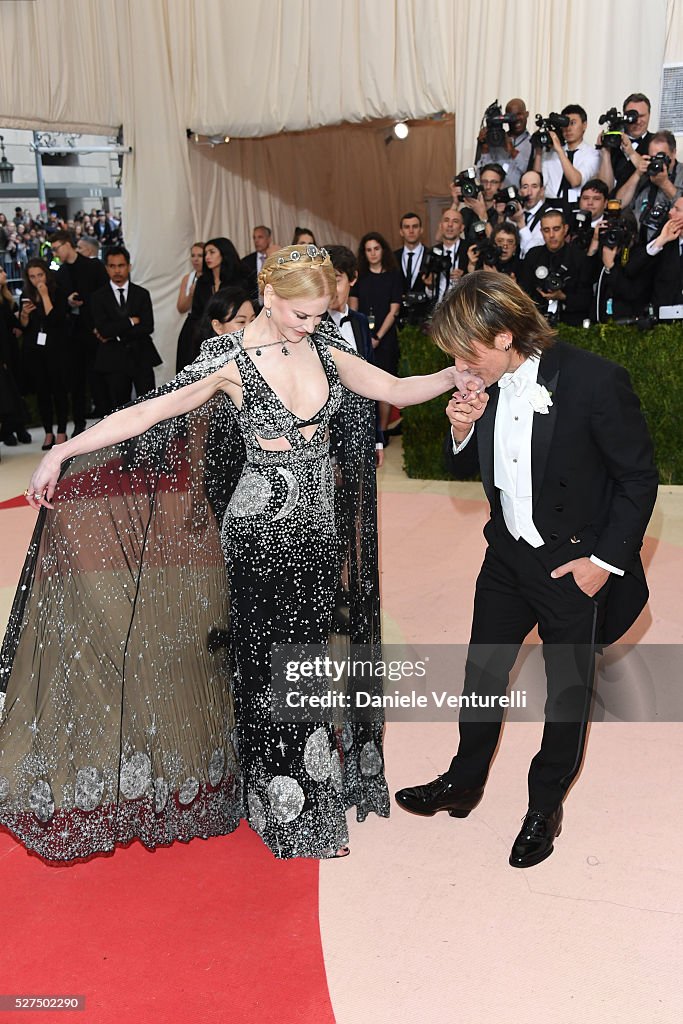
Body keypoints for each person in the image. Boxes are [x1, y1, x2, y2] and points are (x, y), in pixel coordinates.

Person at [0, 244, 480, 863]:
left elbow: (392, 388)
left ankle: (296, 787)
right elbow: (151, 410)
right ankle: (286, 801)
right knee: (274, 662)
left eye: (320, 313)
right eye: (302, 314)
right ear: (270, 296)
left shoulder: (324, 344)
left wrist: (451, 376)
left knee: (307, 659)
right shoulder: (230, 360)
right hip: (263, 534)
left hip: (319, 532)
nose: (313, 325)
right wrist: (61, 453)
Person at [395, 271, 658, 867]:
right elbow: (475, 474)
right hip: (507, 556)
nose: (460, 367)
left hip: (573, 563)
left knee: (567, 693)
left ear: (506, 334)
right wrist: (461, 432)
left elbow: (638, 480)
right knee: (481, 673)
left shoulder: (595, 381)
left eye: (468, 352)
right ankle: (464, 783)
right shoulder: (486, 383)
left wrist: (604, 562)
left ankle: (544, 808)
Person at [325, 244, 384, 464]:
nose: (330, 288)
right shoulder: (310, 326)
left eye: (337, 279)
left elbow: (372, 380)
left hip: (360, 431)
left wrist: (377, 439)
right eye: (325, 280)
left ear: (353, 278)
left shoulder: (360, 322)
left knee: (362, 497)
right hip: (324, 437)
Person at [50, 228, 109, 432]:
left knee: (99, 379)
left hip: (95, 332)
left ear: (68, 243)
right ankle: (79, 425)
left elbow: (106, 296)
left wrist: (101, 327)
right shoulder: (60, 274)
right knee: (75, 382)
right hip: (72, 335)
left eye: (57, 248)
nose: (55, 253)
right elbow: (57, 305)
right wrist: (68, 302)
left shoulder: (93, 266)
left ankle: (107, 423)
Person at [90, 246, 161, 413]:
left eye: (121, 265)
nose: (117, 271)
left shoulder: (142, 294)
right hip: (113, 359)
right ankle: (125, 440)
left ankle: (149, 439)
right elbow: (104, 330)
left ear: (129, 266)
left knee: (148, 405)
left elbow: (147, 327)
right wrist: (130, 321)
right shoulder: (98, 297)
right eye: (112, 266)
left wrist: (117, 333)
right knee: (119, 408)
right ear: (107, 268)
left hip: (141, 355)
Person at [349, 232, 402, 434]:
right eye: (368, 250)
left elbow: (394, 310)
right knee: (365, 387)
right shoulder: (359, 277)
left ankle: (383, 432)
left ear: (383, 250)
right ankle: (368, 433)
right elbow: (353, 310)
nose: (372, 253)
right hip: (363, 340)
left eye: (376, 248)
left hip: (385, 339)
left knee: (386, 386)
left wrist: (378, 336)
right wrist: (365, 337)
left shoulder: (393, 275)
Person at [18, 258, 70, 450]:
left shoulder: (58, 291)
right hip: (35, 350)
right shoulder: (26, 293)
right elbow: (23, 327)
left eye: (39, 275)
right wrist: (24, 314)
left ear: (46, 274)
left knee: (59, 390)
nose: (36, 280)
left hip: (56, 349)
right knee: (43, 392)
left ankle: (62, 431)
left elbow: (55, 319)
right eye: (32, 276)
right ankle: (48, 431)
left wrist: (45, 295)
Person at [534, 104, 601, 205]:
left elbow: (576, 181)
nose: (568, 128)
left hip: (577, 207)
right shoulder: (551, 153)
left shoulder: (593, 154)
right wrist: (538, 151)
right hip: (551, 208)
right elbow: (536, 181)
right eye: (565, 124)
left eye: (573, 123)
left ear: (584, 125)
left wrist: (560, 151)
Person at [175, 241, 205, 372]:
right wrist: (192, 294)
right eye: (193, 255)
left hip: (208, 324)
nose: (196, 259)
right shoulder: (188, 278)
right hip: (192, 324)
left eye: (200, 255)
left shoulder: (213, 278)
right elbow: (181, 308)